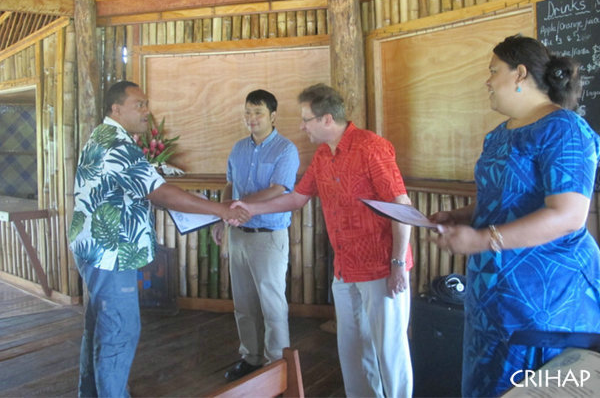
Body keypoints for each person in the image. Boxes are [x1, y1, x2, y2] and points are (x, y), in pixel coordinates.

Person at [429, 35, 600, 397]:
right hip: (493, 297)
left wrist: (481, 239)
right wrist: (462, 216)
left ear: (520, 73)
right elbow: (502, 200)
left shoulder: (565, 129)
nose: (488, 81)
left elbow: (568, 215)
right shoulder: (497, 136)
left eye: (494, 71)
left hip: (546, 300)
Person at [68, 80, 248, 398]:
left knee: (100, 326)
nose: (147, 111)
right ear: (116, 108)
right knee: (120, 332)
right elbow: (160, 192)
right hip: (112, 253)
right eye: (139, 104)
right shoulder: (117, 145)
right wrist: (221, 209)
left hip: (95, 250)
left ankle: (91, 393)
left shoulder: (102, 136)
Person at [232, 83, 414, 397]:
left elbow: (402, 207)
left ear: (327, 119)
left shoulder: (372, 147)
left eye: (306, 119)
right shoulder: (322, 156)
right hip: (345, 270)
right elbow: (296, 199)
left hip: (382, 268)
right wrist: (249, 207)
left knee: (388, 352)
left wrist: (398, 264)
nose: (302, 126)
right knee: (352, 350)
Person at [211, 89, 300, 381]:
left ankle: (277, 366)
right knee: (244, 303)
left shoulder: (286, 149)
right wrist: (222, 216)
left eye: (258, 112)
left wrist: (244, 205)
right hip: (238, 235)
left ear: (273, 116)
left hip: (268, 235)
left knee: (272, 305)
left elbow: (279, 188)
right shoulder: (238, 148)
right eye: (248, 112)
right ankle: (251, 357)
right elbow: (229, 185)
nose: (251, 118)